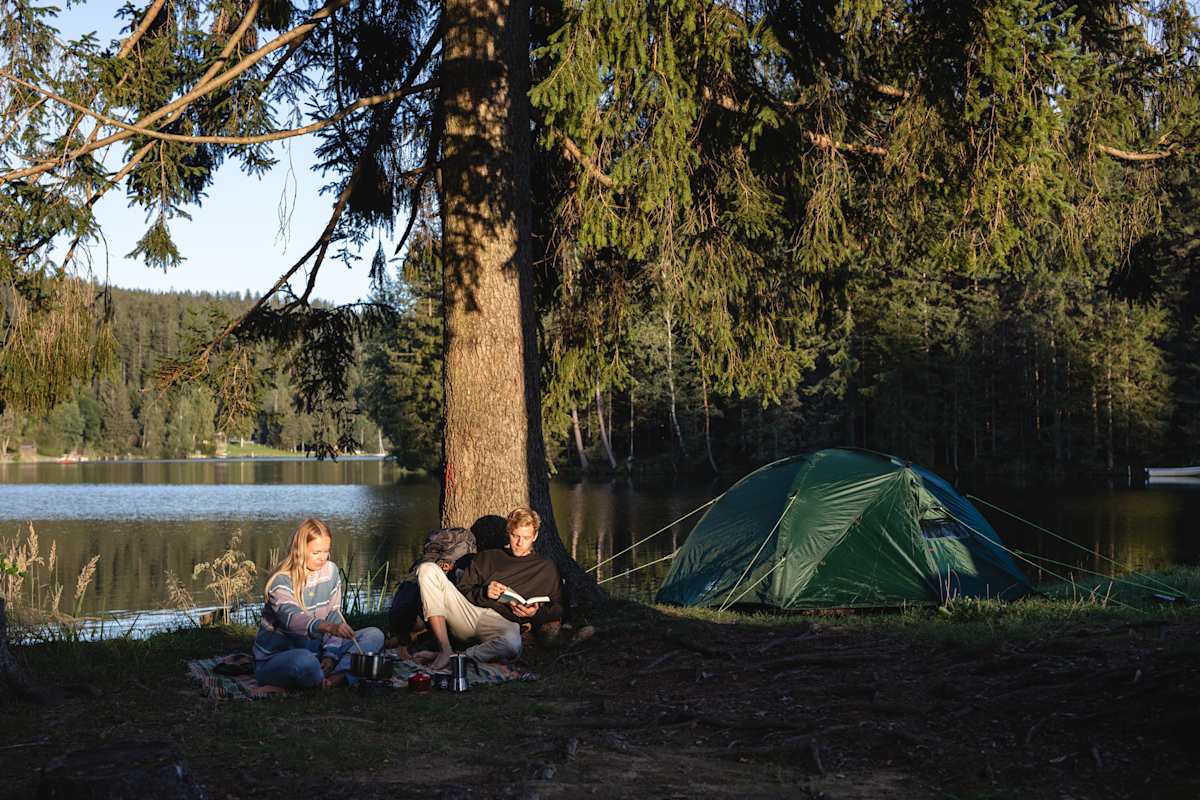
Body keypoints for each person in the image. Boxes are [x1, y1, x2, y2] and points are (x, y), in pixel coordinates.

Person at [413, 506, 563, 669]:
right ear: (508, 533)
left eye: (525, 537)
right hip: (468, 614)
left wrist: (536, 613)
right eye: (515, 536)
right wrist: (484, 592)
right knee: (427, 569)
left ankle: (457, 657)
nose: (519, 543)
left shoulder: (546, 568)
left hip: (503, 623)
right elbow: (462, 589)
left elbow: (559, 607)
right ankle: (444, 648)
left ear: (535, 536)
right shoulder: (488, 557)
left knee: (512, 645)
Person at [253, 518, 384, 689]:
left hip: (318, 653)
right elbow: (292, 619)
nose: (322, 558)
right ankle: (334, 677)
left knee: (374, 635)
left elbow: (334, 615)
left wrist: (330, 655)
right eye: (316, 553)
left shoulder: (330, 572)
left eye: (326, 551)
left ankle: (333, 678)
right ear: (300, 550)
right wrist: (328, 627)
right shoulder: (281, 580)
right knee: (305, 661)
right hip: (278, 659)